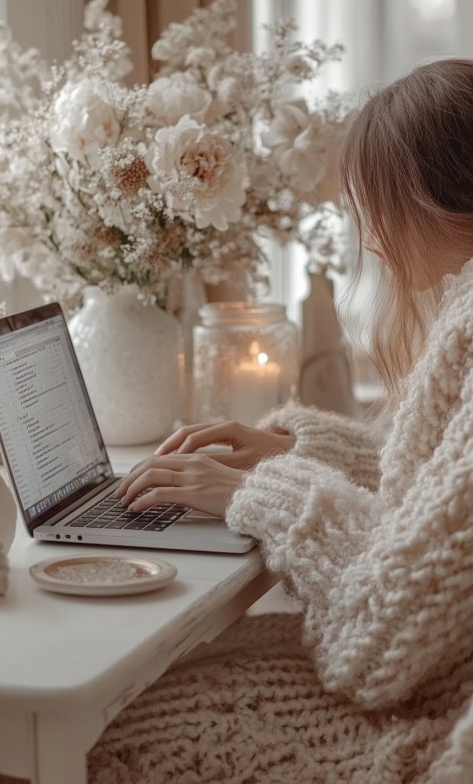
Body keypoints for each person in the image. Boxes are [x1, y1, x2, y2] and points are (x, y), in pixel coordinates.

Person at [88, 58, 473, 784]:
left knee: (107, 724)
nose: (371, 241)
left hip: (436, 715)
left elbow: (383, 633)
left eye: (373, 210)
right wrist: (295, 447)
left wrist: (262, 490)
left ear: (430, 198)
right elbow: (442, 496)